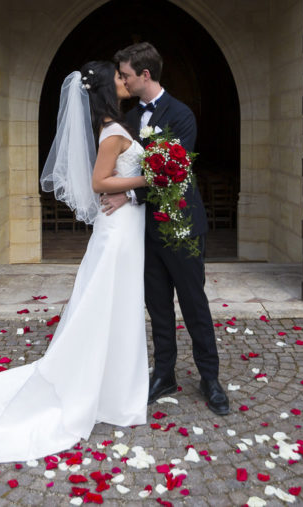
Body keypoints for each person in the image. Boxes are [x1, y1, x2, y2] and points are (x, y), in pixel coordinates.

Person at [0, 61, 148, 463]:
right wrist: (147, 179)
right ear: (107, 89)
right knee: (108, 302)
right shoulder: (112, 132)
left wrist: (134, 189)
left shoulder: (114, 127)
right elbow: (98, 183)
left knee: (120, 302)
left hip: (126, 223)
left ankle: (115, 385)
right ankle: (105, 389)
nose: (123, 81)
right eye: (117, 76)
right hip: (119, 231)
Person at [103, 41, 230, 416]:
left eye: (126, 74)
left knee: (194, 304)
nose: (122, 80)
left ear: (145, 74)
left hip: (182, 226)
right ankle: (165, 374)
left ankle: (210, 377)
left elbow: (172, 172)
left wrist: (129, 197)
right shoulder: (126, 120)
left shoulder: (182, 114)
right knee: (157, 305)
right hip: (145, 231)